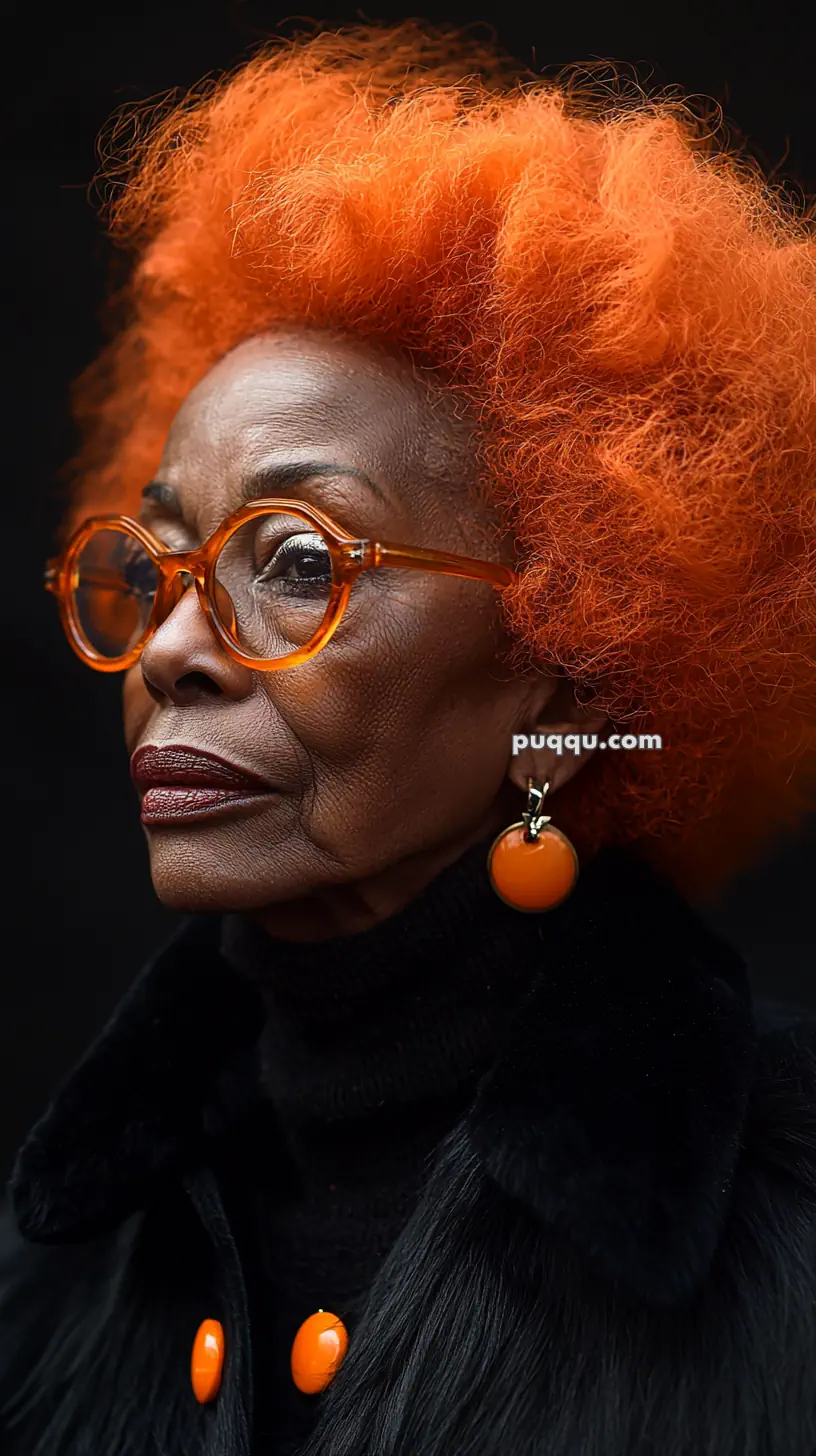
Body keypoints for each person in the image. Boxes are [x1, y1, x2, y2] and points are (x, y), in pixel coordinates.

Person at [3, 20, 816, 1456]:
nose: (175, 650)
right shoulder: (57, 1249)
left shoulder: (788, 1251)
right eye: (159, 562)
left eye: (299, 562)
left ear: (567, 666)